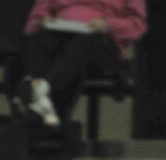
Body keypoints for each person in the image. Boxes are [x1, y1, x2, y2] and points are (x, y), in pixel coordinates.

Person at [16, 0, 148, 126]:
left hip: (102, 41)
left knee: (83, 44)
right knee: (39, 41)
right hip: (60, 34)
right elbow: (33, 21)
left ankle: (37, 93)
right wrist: (41, 21)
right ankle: (44, 106)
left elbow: (137, 25)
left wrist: (108, 24)